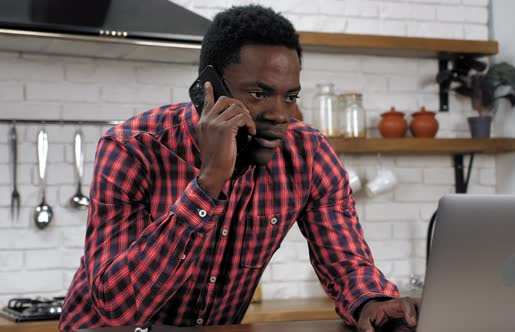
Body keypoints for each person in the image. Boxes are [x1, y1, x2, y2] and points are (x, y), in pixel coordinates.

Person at [59, 5, 418, 332]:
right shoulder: (131, 147)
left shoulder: (308, 153)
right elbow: (117, 307)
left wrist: (372, 301)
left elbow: (347, 264)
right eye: (259, 94)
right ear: (208, 89)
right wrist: (209, 182)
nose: (281, 115)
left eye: (290, 96)